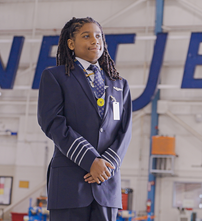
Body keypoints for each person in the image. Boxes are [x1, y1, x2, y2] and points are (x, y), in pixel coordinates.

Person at [37, 17, 132, 221]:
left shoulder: (119, 85)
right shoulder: (55, 77)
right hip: (70, 186)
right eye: (86, 36)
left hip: (106, 186)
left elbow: (125, 131)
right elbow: (53, 122)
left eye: (98, 36)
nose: (95, 40)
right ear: (71, 44)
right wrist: (90, 161)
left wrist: (106, 165)